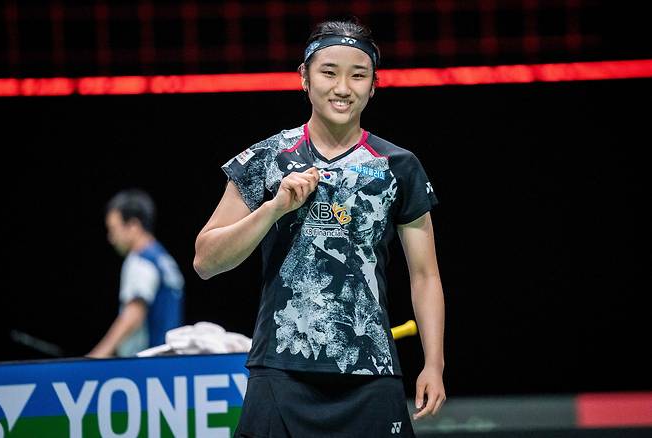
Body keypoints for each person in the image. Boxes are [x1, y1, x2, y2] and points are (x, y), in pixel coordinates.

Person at [194, 19, 445, 437]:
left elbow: (426, 275)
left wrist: (433, 364)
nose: (343, 87)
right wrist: (273, 209)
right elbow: (205, 261)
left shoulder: (399, 166)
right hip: (280, 372)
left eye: (358, 75)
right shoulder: (265, 158)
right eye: (329, 72)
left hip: (371, 373)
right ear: (305, 78)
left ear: (373, 85)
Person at [89, 189, 184, 358]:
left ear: (133, 226)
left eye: (113, 229)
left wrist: (97, 356)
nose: (111, 238)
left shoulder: (141, 260)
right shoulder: (164, 260)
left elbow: (134, 314)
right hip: (169, 360)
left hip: (146, 362)